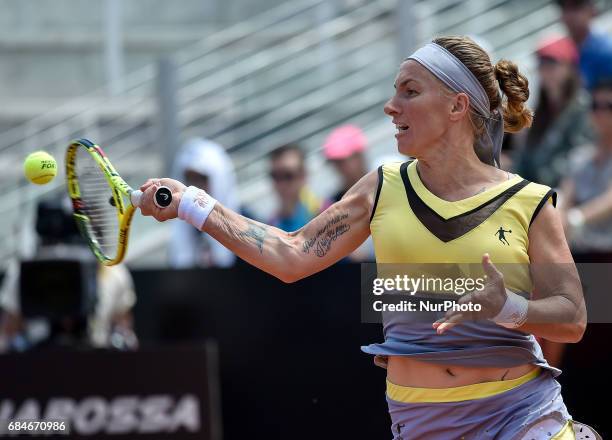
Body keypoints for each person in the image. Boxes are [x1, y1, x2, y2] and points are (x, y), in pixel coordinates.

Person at [136, 36, 596, 439]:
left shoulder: (530, 200)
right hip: (419, 423)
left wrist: (508, 309)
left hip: (519, 418)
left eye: (409, 91)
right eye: (394, 90)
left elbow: (573, 317)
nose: (390, 106)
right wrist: (192, 204)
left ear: (457, 106)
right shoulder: (382, 187)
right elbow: (292, 255)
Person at [0, 197, 137, 351]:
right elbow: (7, 332)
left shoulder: (114, 273)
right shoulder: (20, 272)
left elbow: (124, 330)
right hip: (37, 362)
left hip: (96, 361)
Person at [512, 36, 592, 188]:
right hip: (535, 189)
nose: (546, 71)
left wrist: (537, 183)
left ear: (569, 68)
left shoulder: (583, 107)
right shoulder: (540, 110)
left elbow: (580, 156)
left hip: (564, 190)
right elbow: (525, 157)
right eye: (542, 64)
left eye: (552, 64)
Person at [559, 78, 612, 261]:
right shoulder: (580, 157)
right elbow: (567, 197)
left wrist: (575, 218)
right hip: (580, 252)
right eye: (594, 105)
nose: (600, 112)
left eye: (608, 106)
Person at [169, 138, 238, 268]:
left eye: (201, 179)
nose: (194, 187)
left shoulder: (244, 222)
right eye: (190, 179)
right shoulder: (181, 229)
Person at [558, 0, 612, 90]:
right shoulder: (560, 53)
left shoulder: (606, 51)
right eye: (565, 8)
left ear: (592, 10)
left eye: (576, 7)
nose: (570, 15)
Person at [267, 144, 322, 231]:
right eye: (275, 176)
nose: (282, 184)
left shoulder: (324, 212)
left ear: (304, 175)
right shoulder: (271, 224)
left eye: (288, 175)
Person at [323, 124, 369, 203]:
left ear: (359, 156)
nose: (339, 168)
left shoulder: (388, 183)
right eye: (335, 162)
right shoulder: (332, 204)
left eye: (342, 161)